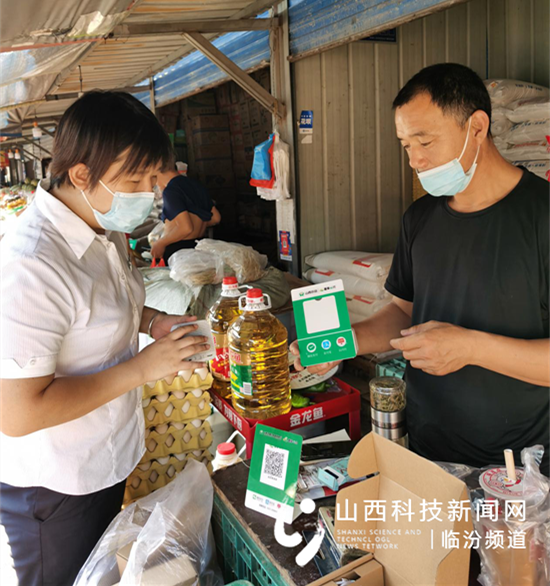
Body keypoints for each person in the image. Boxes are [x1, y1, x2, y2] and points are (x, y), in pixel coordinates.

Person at [291, 63, 550, 475]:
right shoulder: (420, 218)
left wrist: (471, 348)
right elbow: (405, 312)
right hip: (428, 448)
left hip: (521, 467)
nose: (415, 159)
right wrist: (344, 342)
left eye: (425, 141)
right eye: (406, 145)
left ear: (477, 128)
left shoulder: (542, 217)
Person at [0, 91, 211, 586]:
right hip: (54, 486)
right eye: (133, 181)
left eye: (152, 179)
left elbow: (109, 306)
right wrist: (144, 368)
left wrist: (153, 322)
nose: (148, 194)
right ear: (80, 174)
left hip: (105, 459)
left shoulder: (102, 227)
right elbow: (19, 412)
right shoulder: (31, 265)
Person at [150, 167, 221, 264]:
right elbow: (216, 218)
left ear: (157, 172)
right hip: (198, 246)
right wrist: (197, 222)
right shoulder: (196, 185)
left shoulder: (170, 190)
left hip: (178, 251)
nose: (154, 184)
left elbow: (186, 228)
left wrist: (160, 243)